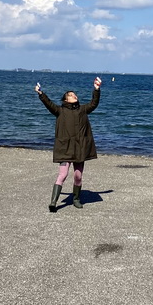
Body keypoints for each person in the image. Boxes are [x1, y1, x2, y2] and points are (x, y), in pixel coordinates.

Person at [35, 77, 102, 211]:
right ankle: (53, 202)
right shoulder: (59, 111)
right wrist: (41, 94)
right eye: (71, 95)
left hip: (79, 149)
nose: (74, 96)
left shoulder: (83, 109)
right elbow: (49, 104)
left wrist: (96, 89)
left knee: (78, 176)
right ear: (66, 100)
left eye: (75, 94)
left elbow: (94, 103)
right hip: (65, 148)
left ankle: (76, 199)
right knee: (62, 175)